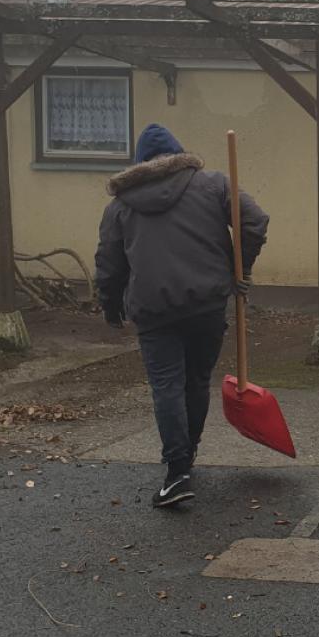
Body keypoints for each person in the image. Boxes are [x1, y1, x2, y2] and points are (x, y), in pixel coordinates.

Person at [95, 123, 268, 508]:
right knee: (196, 381)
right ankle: (187, 457)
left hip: (154, 310)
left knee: (167, 386)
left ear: (139, 163)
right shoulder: (213, 185)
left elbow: (109, 263)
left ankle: (177, 473)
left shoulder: (120, 206)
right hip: (207, 303)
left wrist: (110, 305)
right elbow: (255, 221)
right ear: (179, 155)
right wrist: (238, 268)